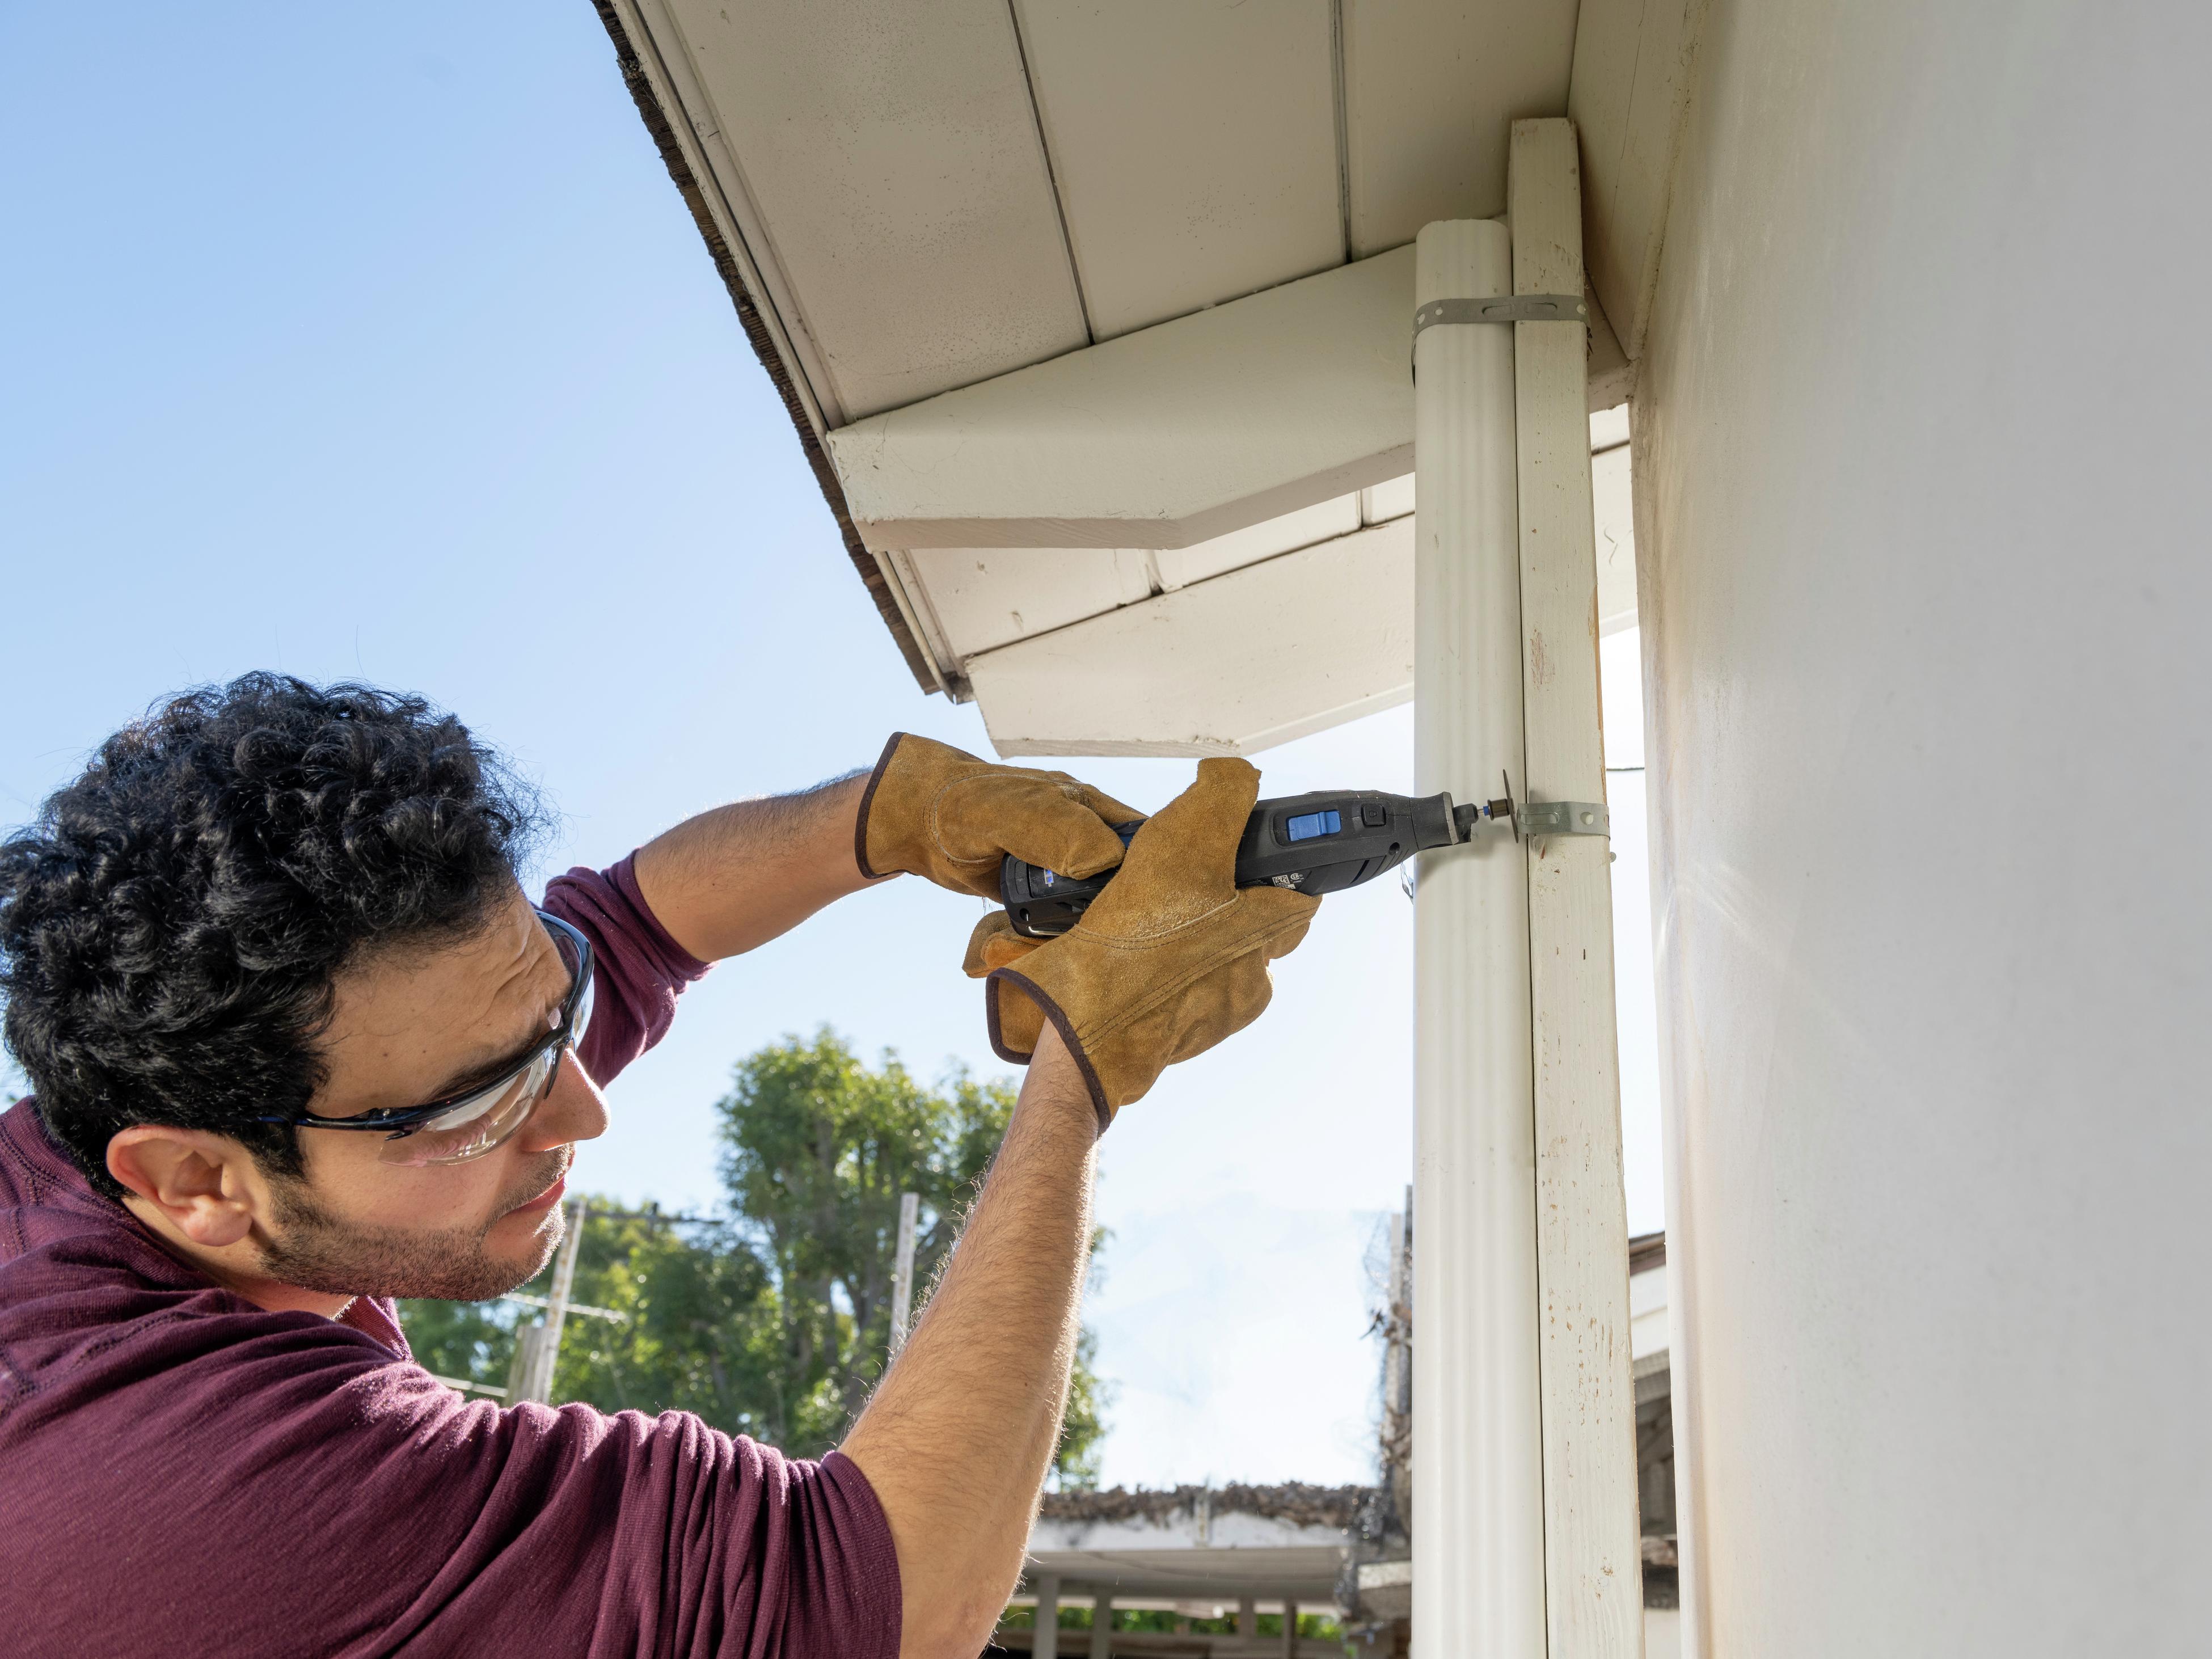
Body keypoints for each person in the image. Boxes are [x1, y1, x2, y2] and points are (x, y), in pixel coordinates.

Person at [0, 674, 1318, 1659]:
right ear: (195, 1182)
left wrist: (892, 813)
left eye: (552, 1018)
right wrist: (1083, 1073)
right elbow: (879, 1594)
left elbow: (633, 922)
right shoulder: (217, 1484)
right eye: (486, 1096)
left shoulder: (142, 1123)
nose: (581, 1107)